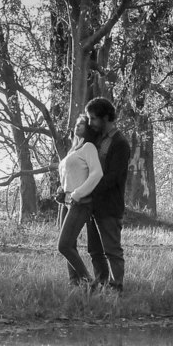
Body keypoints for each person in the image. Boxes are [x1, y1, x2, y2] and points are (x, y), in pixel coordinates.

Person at [83, 97, 131, 294]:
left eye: (93, 118)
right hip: (92, 202)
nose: (90, 123)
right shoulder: (96, 138)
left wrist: (89, 188)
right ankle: (100, 282)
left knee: (111, 249)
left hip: (110, 204)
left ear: (105, 117)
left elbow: (113, 177)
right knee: (94, 249)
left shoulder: (120, 143)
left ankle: (116, 287)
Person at [56, 115, 103, 287]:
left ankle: (89, 281)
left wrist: (78, 193)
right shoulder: (73, 150)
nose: (77, 126)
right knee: (71, 245)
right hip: (66, 202)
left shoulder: (88, 147)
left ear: (89, 128)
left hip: (81, 202)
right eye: (76, 124)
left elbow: (97, 173)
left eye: (82, 124)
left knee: (64, 245)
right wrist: (62, 190)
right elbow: (68, 176)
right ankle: (73, 284)